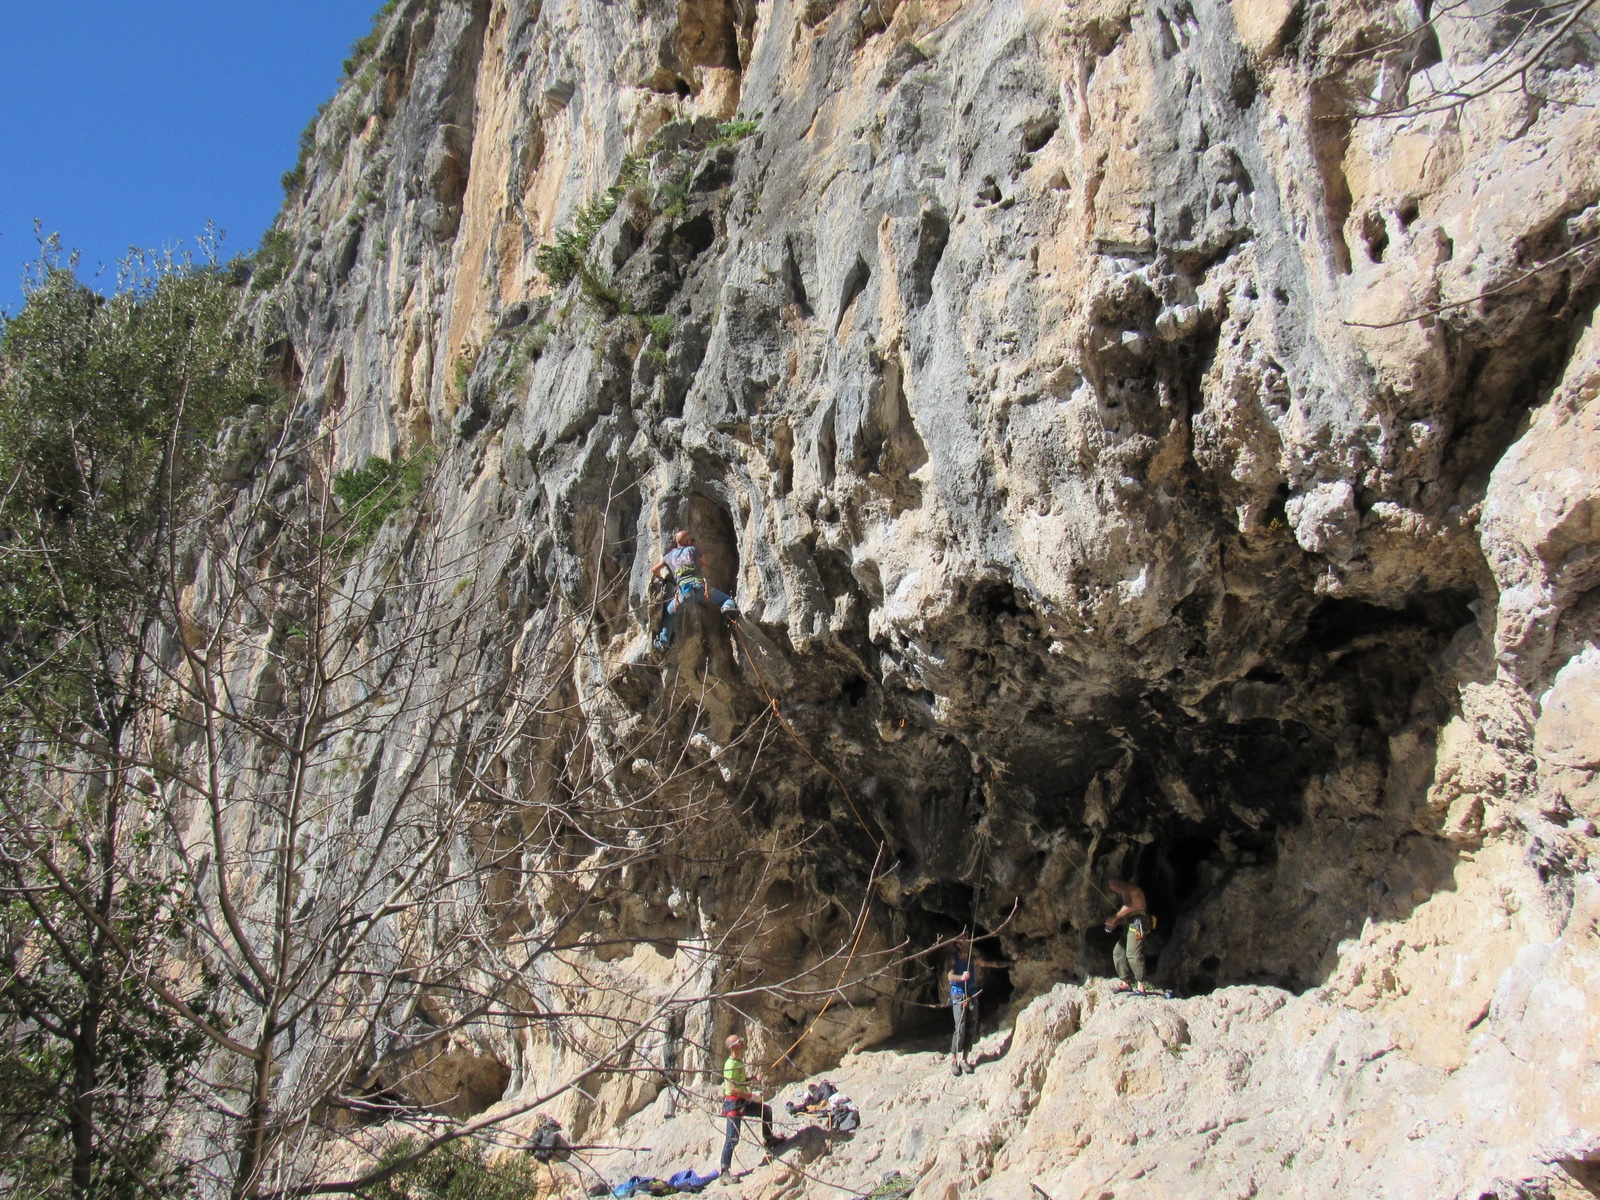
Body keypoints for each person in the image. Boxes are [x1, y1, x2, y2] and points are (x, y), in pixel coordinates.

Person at [652, 529, 737, 651]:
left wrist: (664, 578)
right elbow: (705, 562)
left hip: (684, 594)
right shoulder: (692, 550)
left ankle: (663, 643)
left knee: (669, 615)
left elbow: (654, 570)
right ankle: (727, 608)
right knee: (726, 600)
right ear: (688, 541)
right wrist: (695, 547)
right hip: (701, 588)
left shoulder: (668, 556)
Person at [718, 1034, 777, 1179]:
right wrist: (751, 1096)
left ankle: (768, 1139)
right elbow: (731, 1089)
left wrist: (753, 1079)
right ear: (733, 1047)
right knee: (732, 1138)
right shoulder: (730, 1065)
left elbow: (741, 1081)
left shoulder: (738, 1062)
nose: (743, 1042)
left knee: (766, 1110)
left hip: (741, 1101)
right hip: (733, 1103)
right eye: (740, 1041)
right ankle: (724, 1172)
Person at [948, 933, 1001, 1076]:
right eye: (963, 939)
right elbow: (950, 976)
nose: (967, 941)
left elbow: (989, 963)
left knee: (972, 1025)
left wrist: (1012, 963)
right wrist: (961, 977)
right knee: (960, 1026)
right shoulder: (954, 958)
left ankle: (965, 1059)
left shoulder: (972, 957)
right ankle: (954, 1061)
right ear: (958, 944)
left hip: (971, 993)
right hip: (959, 994)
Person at [1104, 878, 1152, 994]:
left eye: (1113, 889)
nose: (1116, 892)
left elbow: (1129, 906)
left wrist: (1114, 917)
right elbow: (1130, 913)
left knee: (1133, 953)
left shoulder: (1126, 887)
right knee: (1118, 952)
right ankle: (1126, 982)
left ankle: (1141, 986)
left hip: (1138, 922)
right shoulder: (1129, 890)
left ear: (1115, 885)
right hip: (1131, 922)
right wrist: (1117, 923)